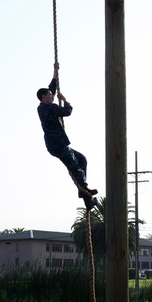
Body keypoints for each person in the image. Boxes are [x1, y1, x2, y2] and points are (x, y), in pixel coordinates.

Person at [36, 65, 99, 207]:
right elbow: (67, 112)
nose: (52, 95)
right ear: (44, 97)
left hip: (57, 144)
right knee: (75, 167)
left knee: (81, 159)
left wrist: (55, 72)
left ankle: (85, 195)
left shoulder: (45, 105)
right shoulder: (47, 107)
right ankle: (84, 189)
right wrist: (65, 100)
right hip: (57, 144)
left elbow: (52, 87)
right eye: (50, 95)